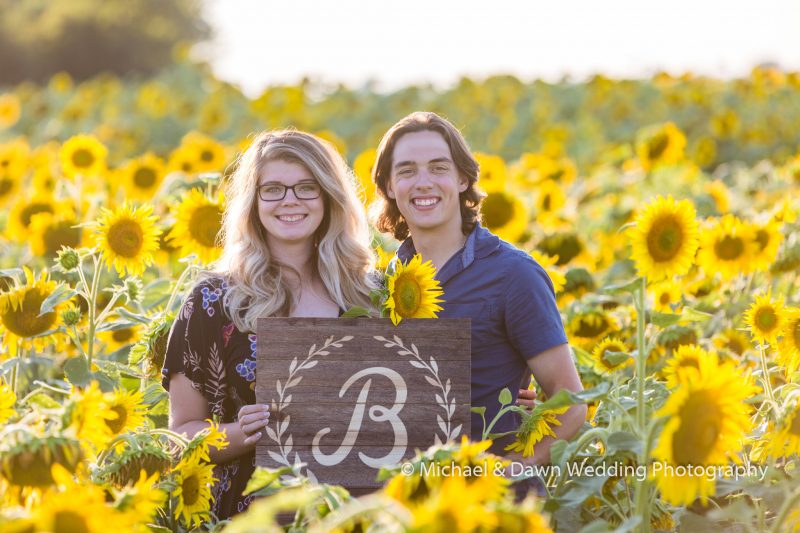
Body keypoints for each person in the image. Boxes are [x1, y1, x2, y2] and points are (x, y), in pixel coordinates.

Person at [162, 130, 377, 518]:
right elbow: (178, 436)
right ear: (253, 202)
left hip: (357, 515)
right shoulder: (213, 301)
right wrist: (238, 435)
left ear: (329, 197)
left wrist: (506, 400)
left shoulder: (368, 296)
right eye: (273, 189)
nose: (290, 200)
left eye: (306, 188)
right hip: (254, 518)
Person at [372, 111, 587, 492]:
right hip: (410, 501)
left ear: (462, 178)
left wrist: (518, 467)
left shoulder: (513, 275)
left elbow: (570, 402)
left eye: (438, 168)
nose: (423, 183)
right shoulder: (383, 284)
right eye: (406, 171)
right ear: (389, 185)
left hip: (495, 503)